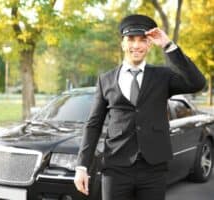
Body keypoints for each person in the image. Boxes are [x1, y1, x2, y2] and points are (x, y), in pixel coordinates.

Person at [74, 14, 205, 200]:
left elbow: (197, 83)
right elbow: (93, 124)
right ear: (123, 44)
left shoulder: (162, 76)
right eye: (131, 40)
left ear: (149, 44)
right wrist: (81, 167)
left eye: (142, 40)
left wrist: (169, 46)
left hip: (153, 169)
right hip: (116, 168)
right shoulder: (106, 80)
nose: (136, 45)